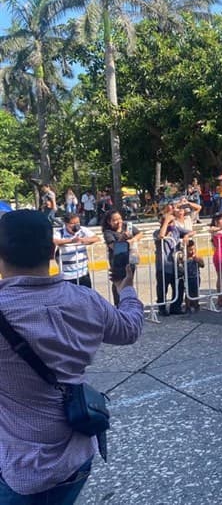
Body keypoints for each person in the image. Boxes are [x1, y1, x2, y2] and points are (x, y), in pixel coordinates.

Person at [0, 210, 143, 502]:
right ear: (53, 251)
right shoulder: (84, 300)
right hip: (77, 456)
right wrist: (126, 291)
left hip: (22, 469)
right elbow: (128, 329)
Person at [154, 208, 192, 316]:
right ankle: (162, 308)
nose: (171, 224)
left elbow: (191, 231)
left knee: (179, 286)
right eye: (168, 222)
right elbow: (161, 236)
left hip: (175, 264)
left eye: (171, 221)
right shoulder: (157, 232)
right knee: (162, 288)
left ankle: (176, 307)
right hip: (163, 265)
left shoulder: (176, 230)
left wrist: (186, 236)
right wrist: (166, 221)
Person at [102, 210, 143, 305]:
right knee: (118, 282)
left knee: (129, 281)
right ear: (109, 222)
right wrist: (122, 238)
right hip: (117, 261)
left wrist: (133, 240)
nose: (119, 222)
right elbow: (113, 246)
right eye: (115, 220)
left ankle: (129, 302)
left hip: (130, 258)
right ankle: (118, 304)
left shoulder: (126, 225)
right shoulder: (108, 232)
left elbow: (139, 233)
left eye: (119, 218)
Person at [53, 213, 101, 288]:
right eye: (73, 223)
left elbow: (96, 238)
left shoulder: (82, 230)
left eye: (77, 223)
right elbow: (54, 241)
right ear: (66, 224)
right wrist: (71, 241)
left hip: (83, 273)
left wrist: (84, 240)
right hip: (67, 275)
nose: (76, 225)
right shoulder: (60, 232)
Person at [180, 239, 204, 312]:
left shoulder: (197, 257)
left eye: (193, 249)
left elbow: (202, 265)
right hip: (187, 278)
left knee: (196, 291)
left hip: (196, 277)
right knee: (187, 292)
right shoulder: (184, 258)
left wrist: (198, 260)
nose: (192, 251)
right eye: (190, 250)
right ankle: (188, 306)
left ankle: (196, 304)